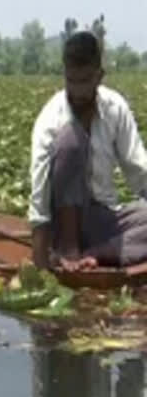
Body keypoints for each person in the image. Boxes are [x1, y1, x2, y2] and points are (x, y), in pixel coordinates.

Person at [30, 31, 147, 272]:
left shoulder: (115, 109)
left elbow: (139, 171)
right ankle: (69, 249)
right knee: (71, 140)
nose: (78, 91)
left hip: (103, 219)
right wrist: (40, 267)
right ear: (64, 75)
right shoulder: (51, 120)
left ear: (99, 76)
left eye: (85, 81)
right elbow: (39, 199)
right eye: (72, 81)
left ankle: (99, 253)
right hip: (60, 226)